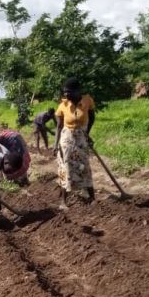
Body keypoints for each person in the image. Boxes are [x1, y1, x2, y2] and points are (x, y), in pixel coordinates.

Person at [52, 78, 96, 209]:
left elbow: (92, 117)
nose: (66, 94)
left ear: (78, 91)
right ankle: (63, 201)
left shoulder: (87, 101)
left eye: (69, 92)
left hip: (81, 137)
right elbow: (59, 127)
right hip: (67, 138)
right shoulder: (63, 105)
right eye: (65, 92)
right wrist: (55, 145)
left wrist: (87, 133)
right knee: (66, 167)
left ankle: (92, 197)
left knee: (85, 166)